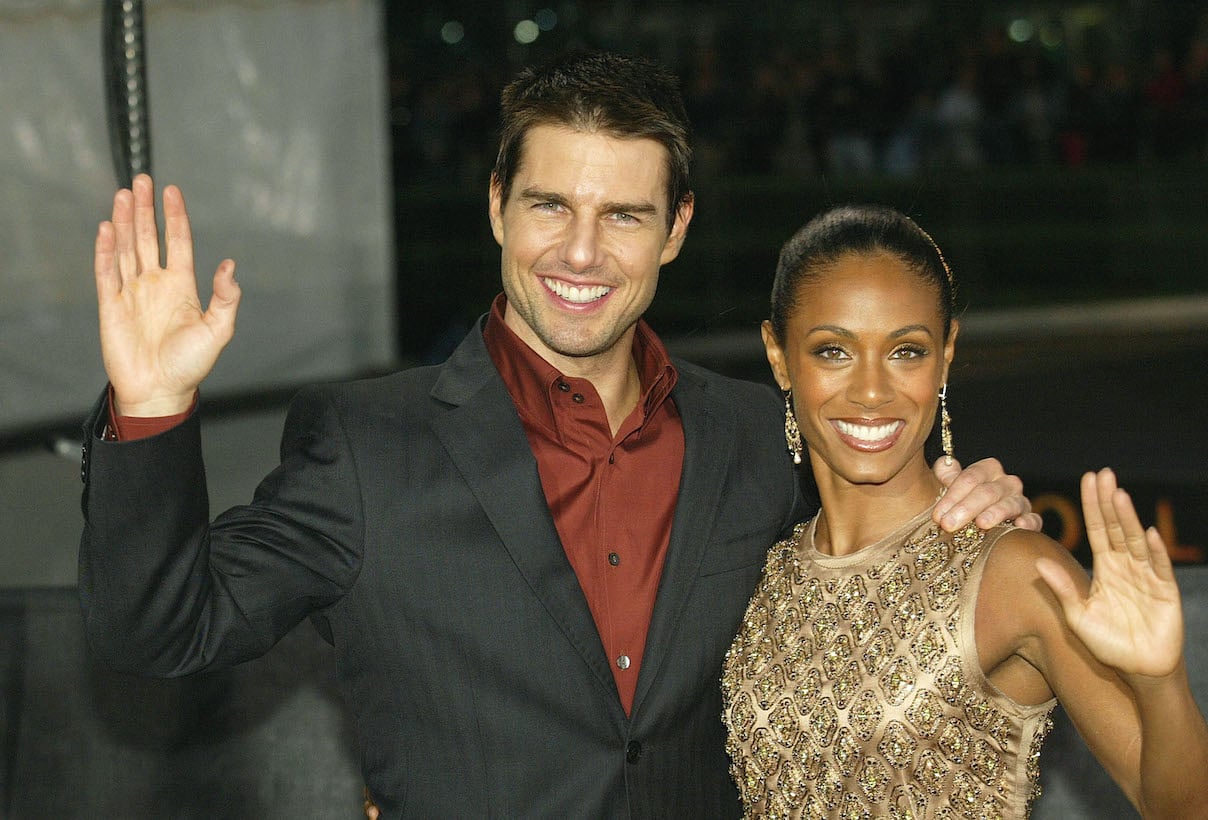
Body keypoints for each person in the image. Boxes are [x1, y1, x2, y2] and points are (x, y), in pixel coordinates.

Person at [78, 52, 1035, 817]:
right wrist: (152, 405)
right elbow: (159, 630)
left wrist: (980, 510)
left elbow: (883, 534)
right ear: (498, 203)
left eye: (624, 214)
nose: (581, 252)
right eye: (550, 206)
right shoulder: (367, 447)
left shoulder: (761, 436)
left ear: (676, 229)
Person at [721, 205, 1208, 819]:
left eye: (906, 352)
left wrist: (1163, 682)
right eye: (833, 351)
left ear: (946, 354)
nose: (872, 391)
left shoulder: (1017, 570)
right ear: (778, 355)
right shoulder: (762, 569)